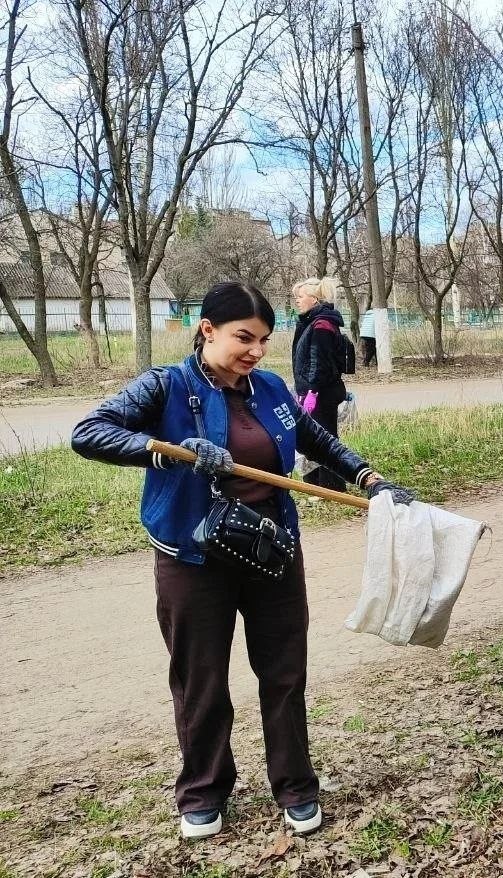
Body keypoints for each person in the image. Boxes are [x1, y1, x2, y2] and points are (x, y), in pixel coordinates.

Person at [70, 282, 415, 840]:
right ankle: (204, 791)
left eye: (263, 339)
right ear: (207, 329)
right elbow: (88, 434)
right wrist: (167, 450)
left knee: (284, 673)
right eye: (243, 338)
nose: (255, 350)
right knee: (200, 678)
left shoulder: (272, 389)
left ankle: (296, 786)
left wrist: (371, 479)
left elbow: (317, 439)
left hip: (271, 551)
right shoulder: (167, 386)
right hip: (192, 557)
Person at [291, 277, 348, 491]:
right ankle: (316, 484)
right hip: (311, 391)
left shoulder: (322, 324)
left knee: (326, 439)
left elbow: (319, 362)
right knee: (311, 438)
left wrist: (311, 391)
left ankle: (334, 487)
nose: (297, 300)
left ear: (314, 299)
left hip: (321, 393)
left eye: (301, 296)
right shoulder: (311, 322)